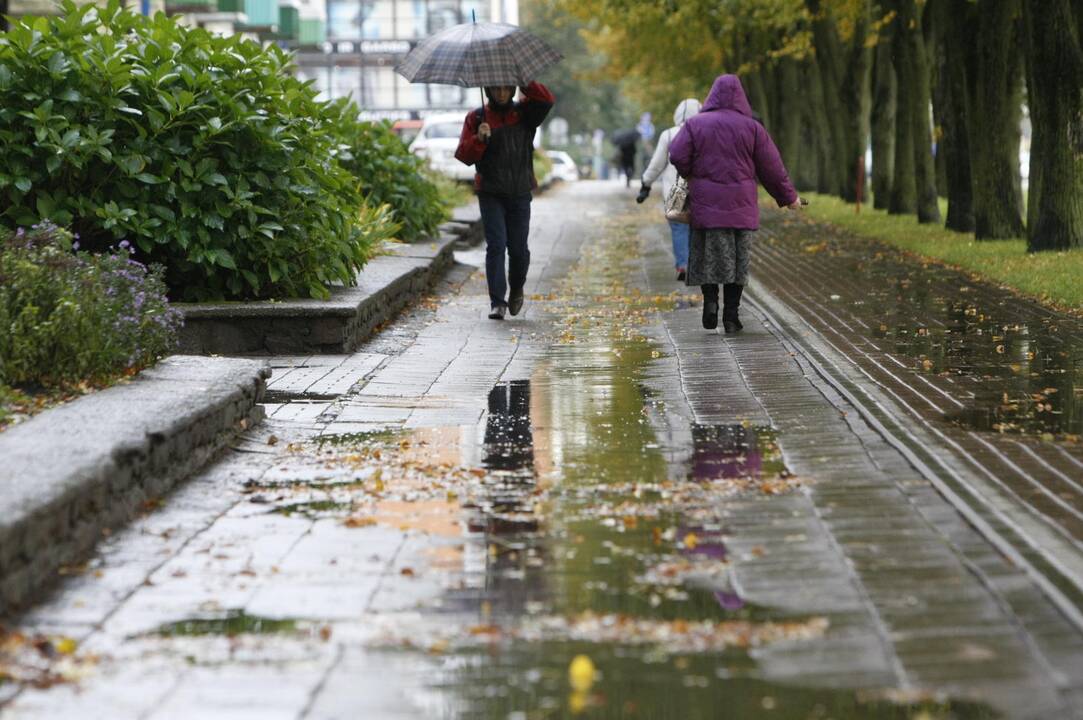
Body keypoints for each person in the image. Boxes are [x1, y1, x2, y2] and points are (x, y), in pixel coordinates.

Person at [669, 75, 802, 334]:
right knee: (737, 261)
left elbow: (676, 154)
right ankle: (731, 315)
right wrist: (788, 198)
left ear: (712, 95)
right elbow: (772, 168)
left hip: (705, 206)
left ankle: (710, 304)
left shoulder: (695, 124)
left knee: (707, 257)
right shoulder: (752, 128)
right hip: (741, 207)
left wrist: (692, 173)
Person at [456, 83, 555, 320]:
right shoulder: (477, 117)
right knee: (496, 245)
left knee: (519, 249)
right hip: (490, 192)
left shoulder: (524, 114)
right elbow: (463, 155)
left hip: (520, 191)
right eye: (496, 89)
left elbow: (546, 100)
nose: (501, 93)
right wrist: (479, 139)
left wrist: (525, 79)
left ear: (513, 90)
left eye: (506, 89)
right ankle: (497, 302)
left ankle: (517, 287)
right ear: (488, 90)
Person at [636, 98, 702, 281]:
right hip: (700, 189)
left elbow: (657, 164)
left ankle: (683, 265)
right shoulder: (705, 132)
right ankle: (695, 265)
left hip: (675, 189)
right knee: (697, 228)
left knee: (679, 227)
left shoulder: (669, 135)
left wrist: (645, 184)